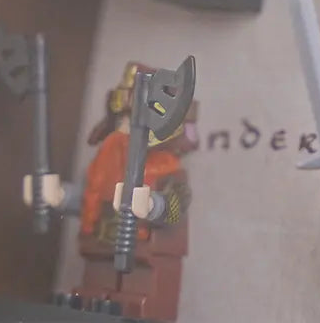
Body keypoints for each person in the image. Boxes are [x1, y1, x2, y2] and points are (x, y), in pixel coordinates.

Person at [24, 62, 198, 321]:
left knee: (140, 307)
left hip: (146, 258)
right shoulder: (106, 162)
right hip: (100, 251)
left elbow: (176, 206)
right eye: (125, 120)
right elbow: (89, 200)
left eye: (136, 122)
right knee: (90, 301)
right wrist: (60, 195)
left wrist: (152, 205)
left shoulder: (169, 171)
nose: (128, 131)